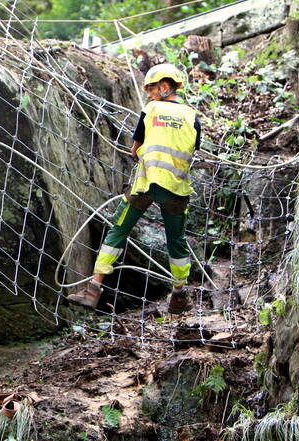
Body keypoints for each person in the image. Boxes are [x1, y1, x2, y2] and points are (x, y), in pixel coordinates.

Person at [67, 63, 201, 314]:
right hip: (176, 188)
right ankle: (179, 295)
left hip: (146, 183)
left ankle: (93, 290)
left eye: (151, 89)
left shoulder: (151, 110)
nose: (149, 94)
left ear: (164, 87)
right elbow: (192, 149)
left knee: (119, 230)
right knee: (177, 241)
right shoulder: (192, 116)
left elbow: (135, 149)